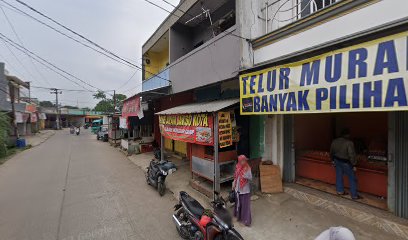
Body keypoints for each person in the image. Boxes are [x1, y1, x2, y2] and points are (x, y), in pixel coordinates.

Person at [330, 129, 361, 200]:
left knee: (339, 176)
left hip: (337, 160)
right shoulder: (349, 143)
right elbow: (352, 155)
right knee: (352, 178)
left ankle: (340, 191)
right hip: (346, 163)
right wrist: (354, 165)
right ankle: (354, 195)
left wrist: (332, 160)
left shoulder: (334, 141)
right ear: (347, 134)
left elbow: (331, 151)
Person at [232, 154, 252, 226]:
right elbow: (235, 176)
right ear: (239, 161)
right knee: (238, 204)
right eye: (242, 160)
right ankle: (238, 217)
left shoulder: (247, 168)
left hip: (245, 190)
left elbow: (250, 178)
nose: (243, 162)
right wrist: (234, 184)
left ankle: (245, 221)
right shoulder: (237, 166)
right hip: (238, 189)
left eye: (244, 160)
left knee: (245, 206)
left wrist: (245, 176)